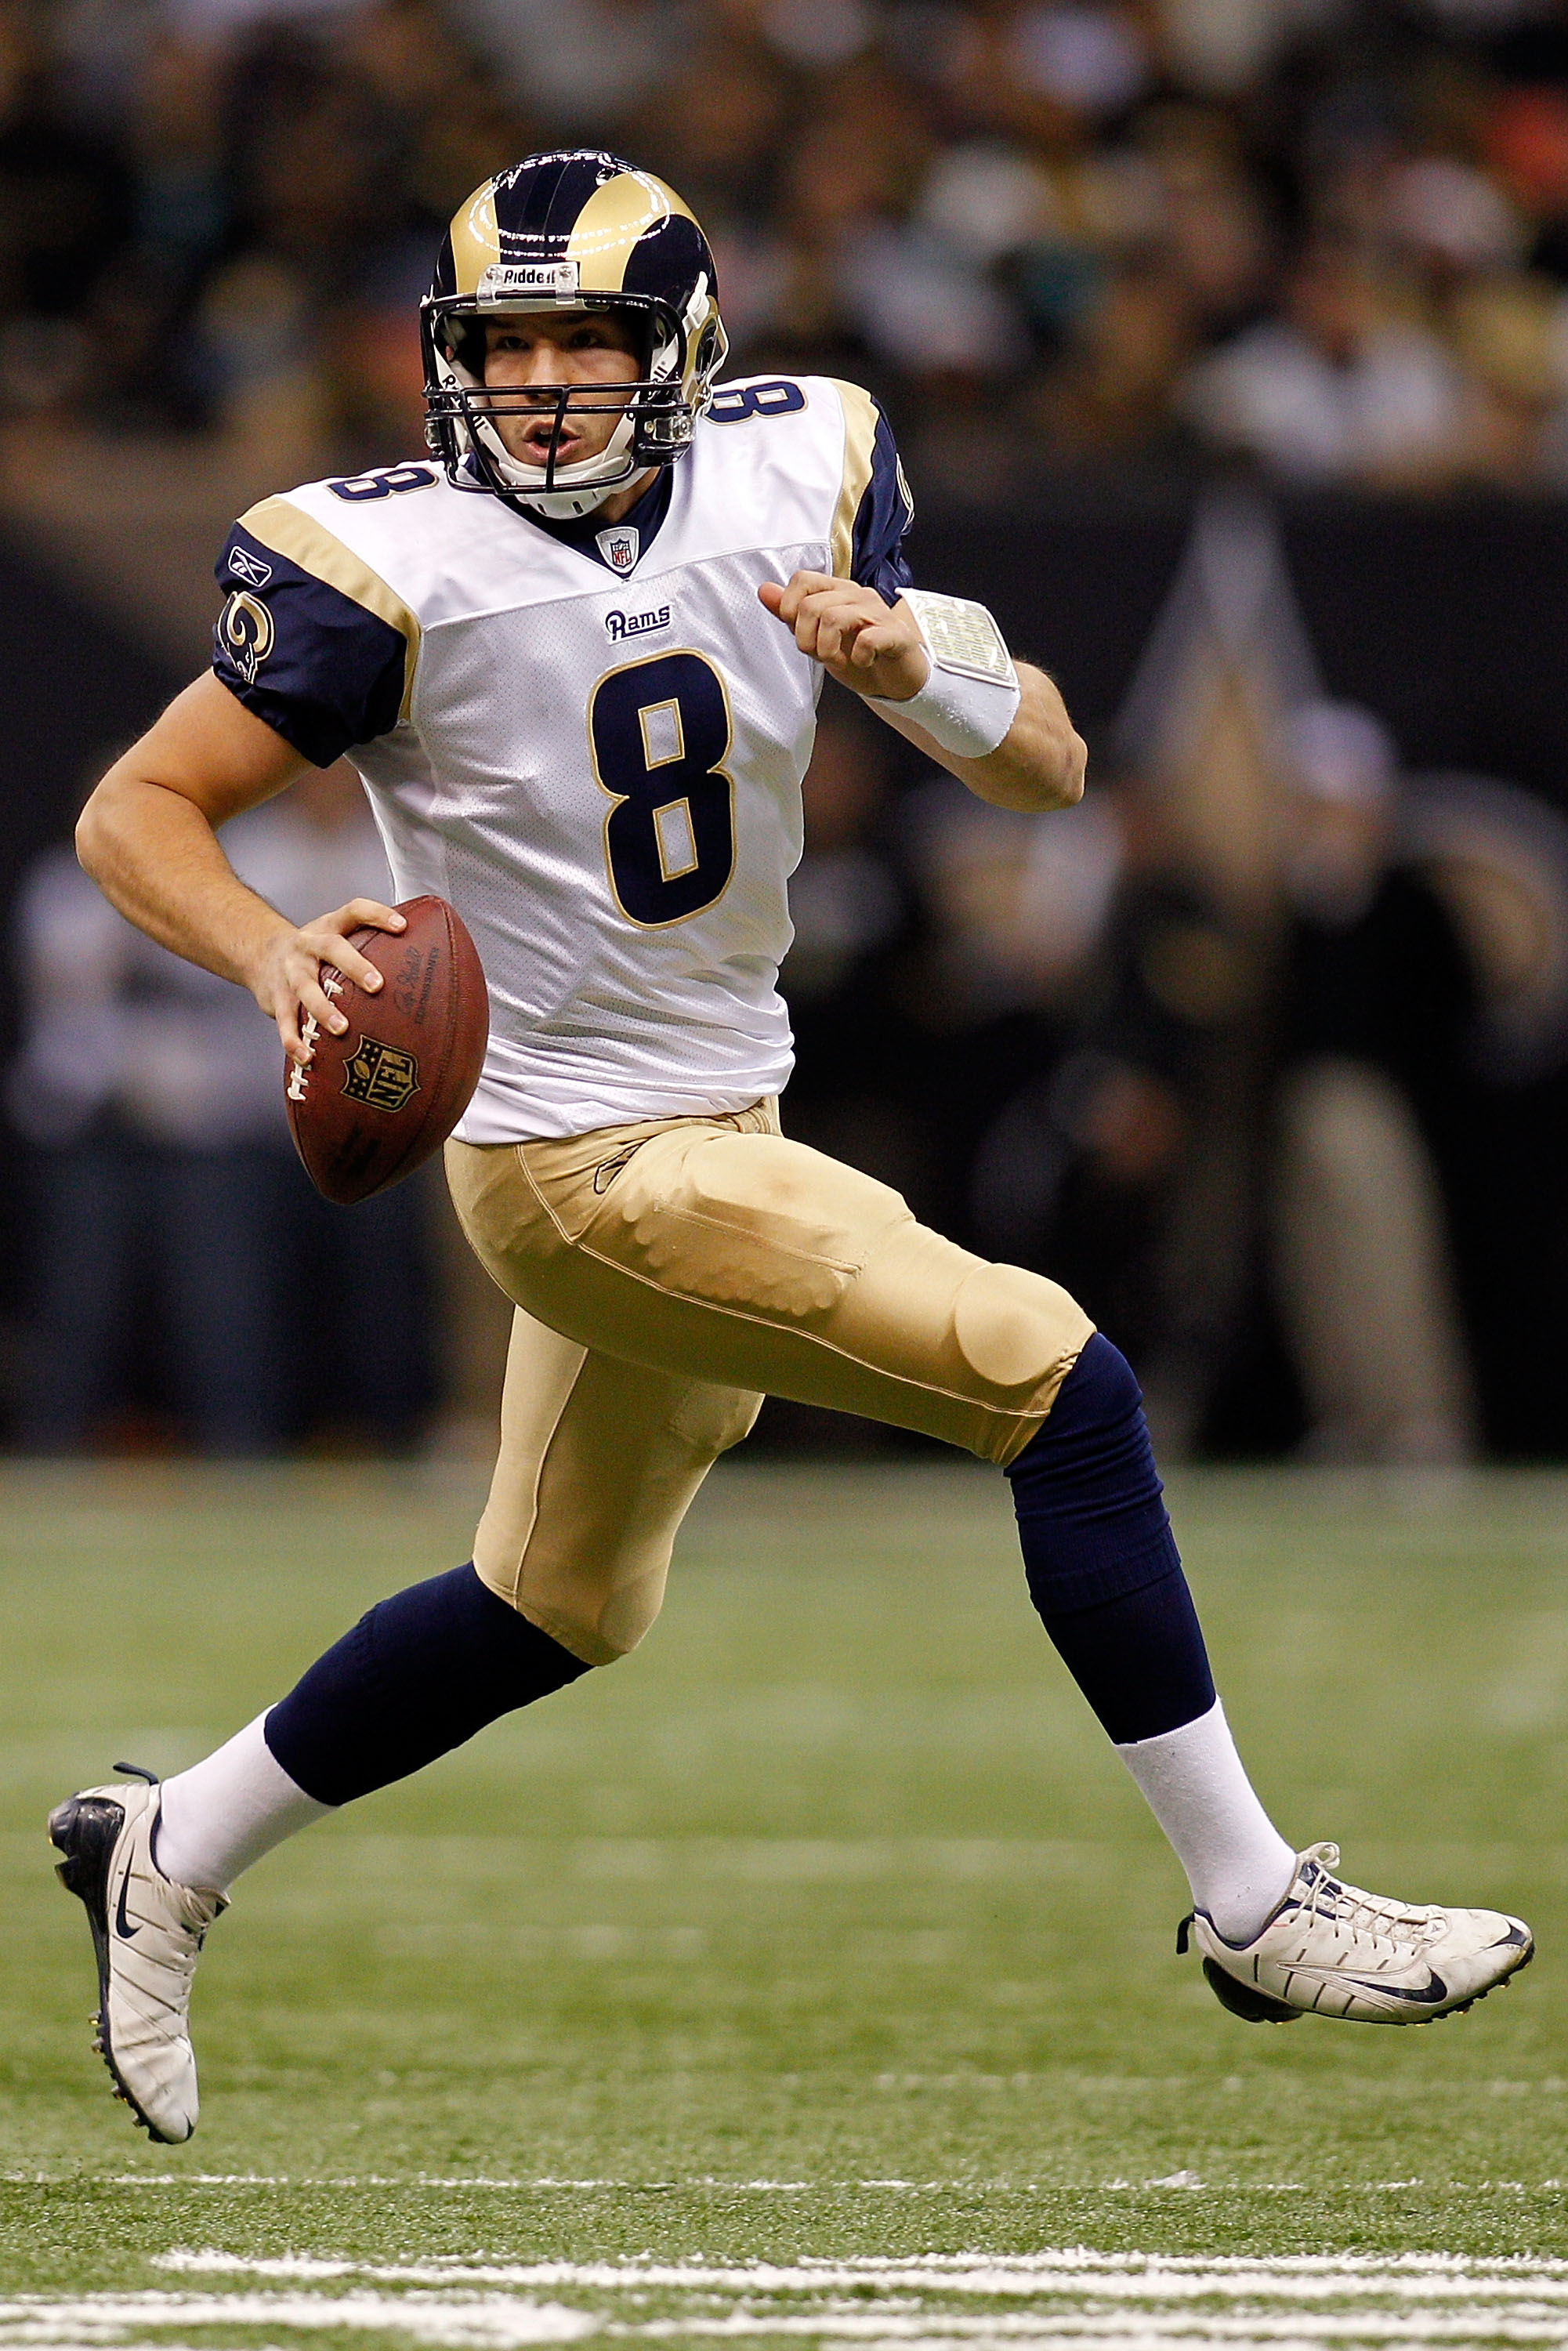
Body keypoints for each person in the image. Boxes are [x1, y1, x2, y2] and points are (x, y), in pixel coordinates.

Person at [49, 150, 1531, 2147]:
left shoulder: (806, 459)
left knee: (554, 1602)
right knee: (1058, 1382)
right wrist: (268, 951)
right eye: (508, 345)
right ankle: (1255, 1902)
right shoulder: (376, 563)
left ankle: (174, 1837)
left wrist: (920, 670)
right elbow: (136, 810)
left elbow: (1057, 763)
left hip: (726, 1101)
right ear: (446, 358)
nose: (547, 384)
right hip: (578, 1162)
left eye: (588, 340)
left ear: (684, 351)